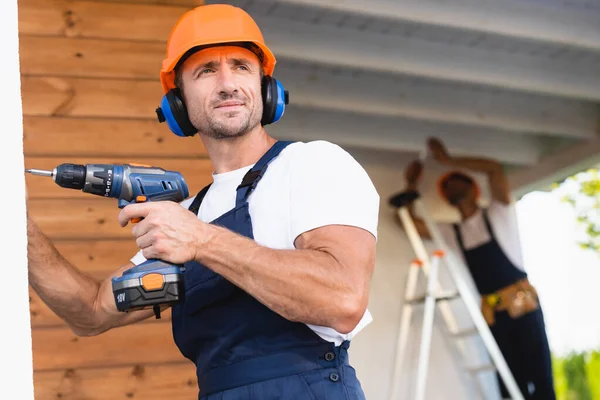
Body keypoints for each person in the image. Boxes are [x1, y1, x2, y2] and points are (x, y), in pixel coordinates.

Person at [26, 4, 379, 399]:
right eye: (206, 70)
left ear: (267, 88)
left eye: (241, 67)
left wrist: (203, 242)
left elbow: (343, 300)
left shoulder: (311, 164)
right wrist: (18, 228)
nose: (227, 84)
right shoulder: (188, 215)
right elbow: (91, 311)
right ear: (177, 103)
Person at [393, 137, 555, 400]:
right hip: (494, 316)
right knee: (508, 387)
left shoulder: (499, 212)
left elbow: (494, 169)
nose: (452, 185)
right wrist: (411, 184)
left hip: (523, 306)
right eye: (447, 185)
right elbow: (407, 222)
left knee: (541, 383)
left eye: (457, 180)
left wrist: (447, 160)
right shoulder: (452, 232)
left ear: (473, 188)